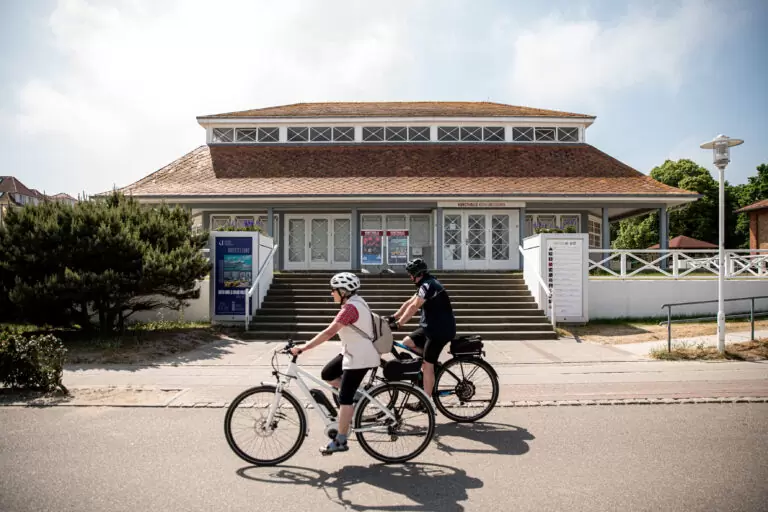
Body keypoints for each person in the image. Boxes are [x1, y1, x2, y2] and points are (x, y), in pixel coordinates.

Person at [289, 272, 380, 455]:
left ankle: (340, 440)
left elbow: (329, 332)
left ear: (343, 291)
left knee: (344, 399)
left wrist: (304, 347)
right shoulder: (356, 302)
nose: (332, 293)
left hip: (359, 357)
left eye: (334, 290)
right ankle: (357, 396)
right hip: (352, 352)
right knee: (328, 374)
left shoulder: (349, 309)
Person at [389, 259, 456, 410]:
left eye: (410, 274)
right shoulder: (425, 284)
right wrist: (393, 317)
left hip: (440, 330)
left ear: (416, 274)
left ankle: (426, 402)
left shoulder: (429, 285)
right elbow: (408, 302)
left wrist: (399, 324)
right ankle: (432, 364)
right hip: (429, 327)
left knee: (427, 365)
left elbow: (413, 307)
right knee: (407, 342)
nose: (409, 277)